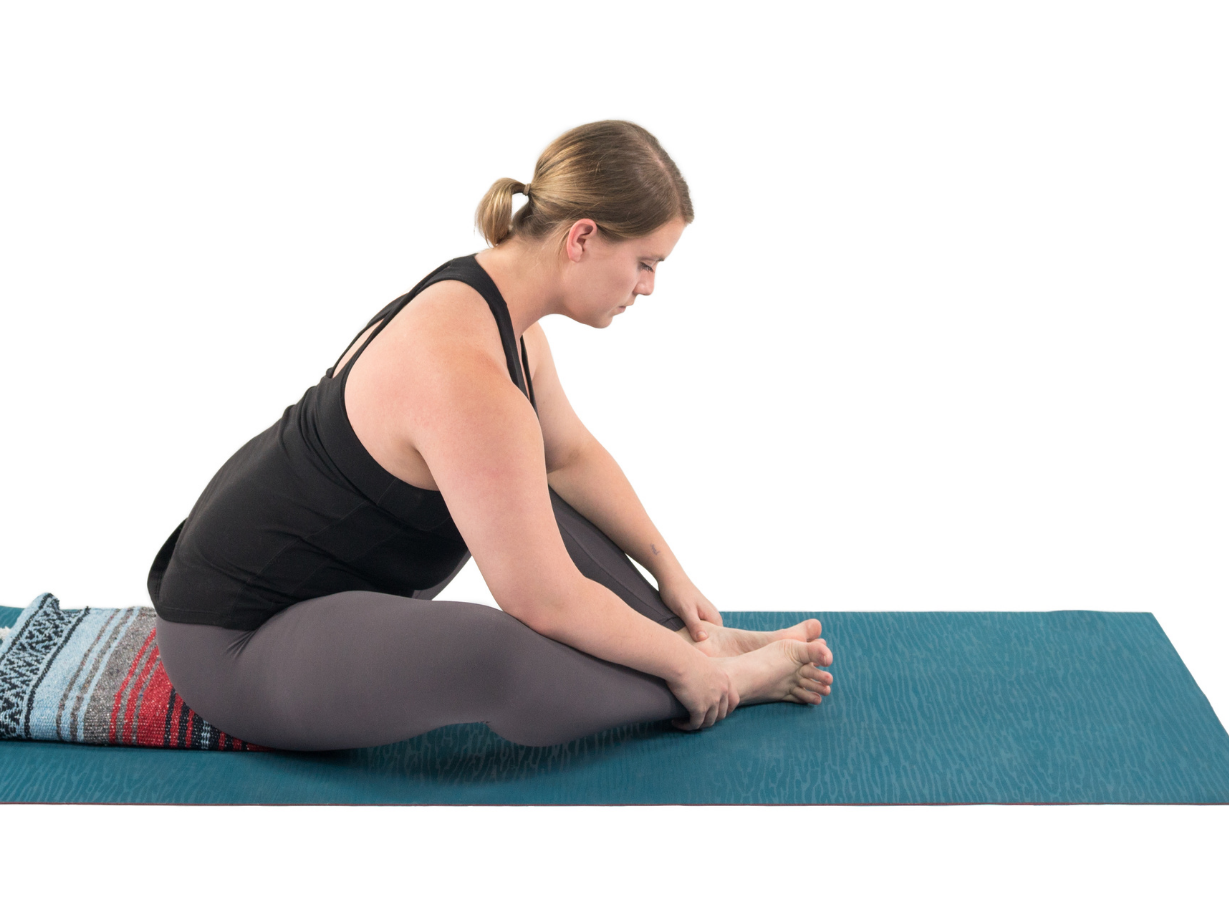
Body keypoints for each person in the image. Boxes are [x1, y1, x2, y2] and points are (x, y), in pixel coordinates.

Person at [147, 120, 834, 751]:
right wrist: (682, 669)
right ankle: (715, 676)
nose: (648, 287)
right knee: (499, 651)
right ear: (584, 237)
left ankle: (695, 644)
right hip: (236, 644)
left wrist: (671, 573)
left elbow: (569, 458)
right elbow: (544, 601)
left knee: (535, 491)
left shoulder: (496, 309)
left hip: (328, 598)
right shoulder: (464, 373)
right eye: (646, 262)